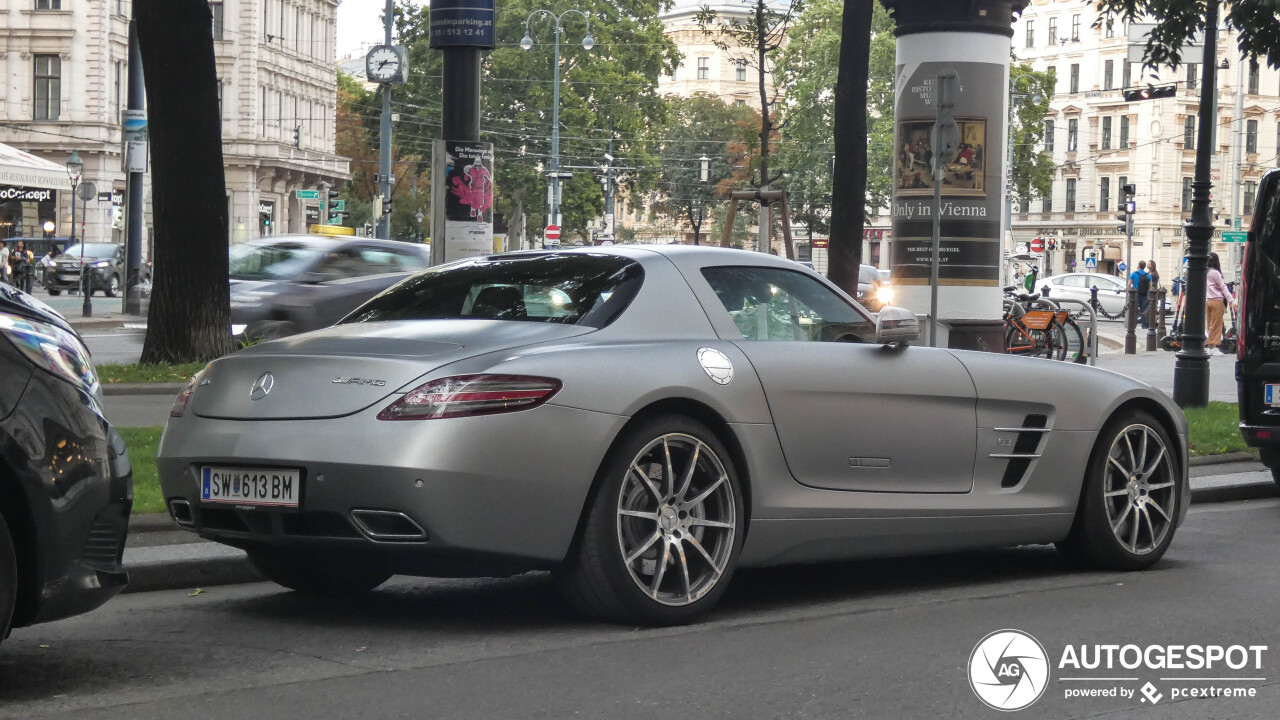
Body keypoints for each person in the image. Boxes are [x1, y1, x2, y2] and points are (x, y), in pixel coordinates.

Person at [1206, 252, 1235, 351]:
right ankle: (1214, 347)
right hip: (1217, 300)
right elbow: (1223, 287)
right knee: (1216, 324)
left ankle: (1210, 346)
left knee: (1210, 324)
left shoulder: (1206, 272)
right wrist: (1231, 299)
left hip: (1208, 300)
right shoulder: (1215, 273)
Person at [1129, 260, 1150, 328]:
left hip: (1135, 293)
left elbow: (1129, 284)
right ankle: (1144, 326)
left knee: (1134, 309)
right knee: (1144, 310)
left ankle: (1133, 325)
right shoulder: (1148, 275)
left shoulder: (1134, 274)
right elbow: (1150, 287)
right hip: (1144, 294)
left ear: (1138, 266)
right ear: (1144, 267)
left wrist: (1129, 292)